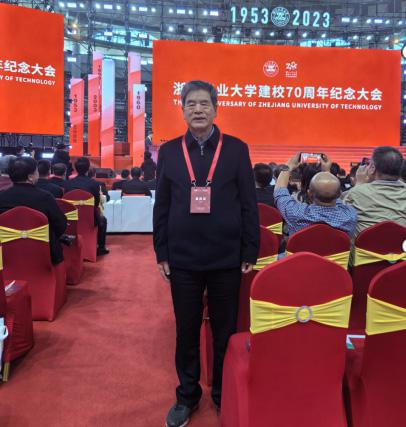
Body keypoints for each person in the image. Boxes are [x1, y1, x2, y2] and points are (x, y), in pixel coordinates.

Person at [153, 80, 259, 427]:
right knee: (186, 331)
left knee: (224, 330)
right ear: (182, 110)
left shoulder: (236, 149)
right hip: (182, 258)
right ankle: (187, 395)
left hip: (226, 256)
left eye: (204, 104)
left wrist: (249, 248)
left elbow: (248, 203)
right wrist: (161, 251)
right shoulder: (169, 152)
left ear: (215, 108)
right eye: (191, 104)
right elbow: (162, 205)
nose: (198, 110)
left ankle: (224, 392)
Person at [0, 157, 67, 264]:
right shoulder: (45, 197)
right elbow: (60, 225)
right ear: (30, 177)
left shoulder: (2, 196)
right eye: (36, 171)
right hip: (43, 251)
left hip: (6, 253)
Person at [274, 153, 357, 237]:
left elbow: (280, 193)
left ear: (309, 193)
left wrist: (288, 166)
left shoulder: (296, 213)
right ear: (339, 193)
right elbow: (335, 196)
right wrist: (326, 171)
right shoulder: (349, 215)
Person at [343, 146, 406, 235]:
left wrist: (359, 184)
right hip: (401, 243)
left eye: (369, 164)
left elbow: (342, 216)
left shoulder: (357, 192)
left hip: (364, 244)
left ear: (373, 168)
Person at [68, 157, 109, 256]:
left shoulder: (68, 184)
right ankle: (101, 247)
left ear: (75, 168)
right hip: (89, 218)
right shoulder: (94, 184)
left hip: (71, 218)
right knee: (103, 220)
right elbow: (96, 203)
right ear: (88, 168)